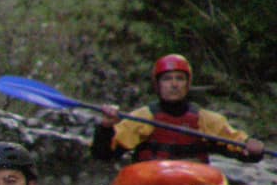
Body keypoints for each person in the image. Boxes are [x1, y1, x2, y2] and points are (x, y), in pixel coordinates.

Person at [92, 54, 265, 163]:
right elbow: (104, 155)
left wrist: (252, 149)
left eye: (180, 79)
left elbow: (241, 148)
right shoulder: (142, 117)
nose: (174, 84)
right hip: (150, 182)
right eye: (167, 79)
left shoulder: (207, 120)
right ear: (158, 85)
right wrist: (106, 127)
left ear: (188, 84)